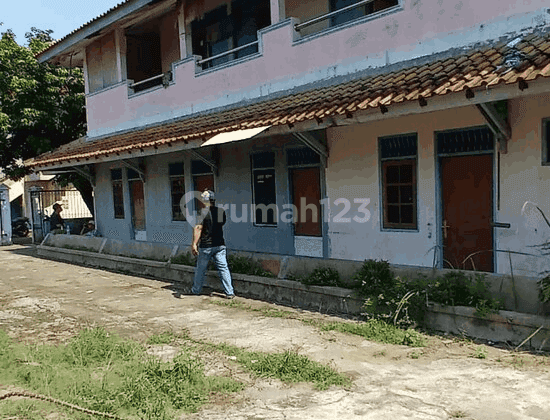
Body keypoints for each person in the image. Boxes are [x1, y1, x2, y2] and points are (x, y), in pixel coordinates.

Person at [191, 190, 235, 299]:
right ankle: (229, 292)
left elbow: (198, 228)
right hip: (219, 244)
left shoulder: (202, 212)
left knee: (201, 269)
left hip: (206, 246)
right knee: (223, 268)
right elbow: (221, 224)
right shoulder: (221, 211)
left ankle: (196, 290)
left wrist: (194, 244)